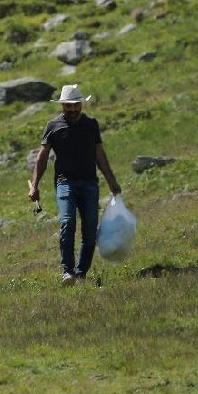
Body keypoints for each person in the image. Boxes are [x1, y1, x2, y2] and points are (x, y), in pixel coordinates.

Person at [28, 84, 123, 285]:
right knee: (67, 222)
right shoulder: (53, 126)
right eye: (67, 106)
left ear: (81, 105)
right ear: (62, 106)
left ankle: (81, 274)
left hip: (89, 183)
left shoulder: (91, 124)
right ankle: (67, 272)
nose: (71, 110)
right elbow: (42, 157)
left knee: (89, 231)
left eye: (75, 105)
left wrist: (111, 181)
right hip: (65, 183)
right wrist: (34, 185)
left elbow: (99, 154)